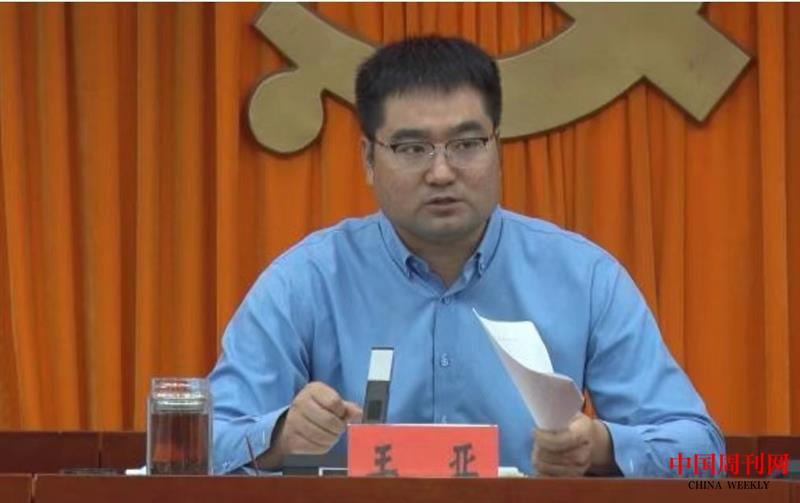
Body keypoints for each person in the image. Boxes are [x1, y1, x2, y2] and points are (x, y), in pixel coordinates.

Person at [208, 35, 724, 477]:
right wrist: (279, 436)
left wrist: (601, 446)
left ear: (498, 147)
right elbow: (203, 442)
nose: (441, 172)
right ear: (368, 158)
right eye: (412, 148)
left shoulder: (584, 277)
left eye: (466, 143)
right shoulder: (307, 280)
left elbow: (702, 451)